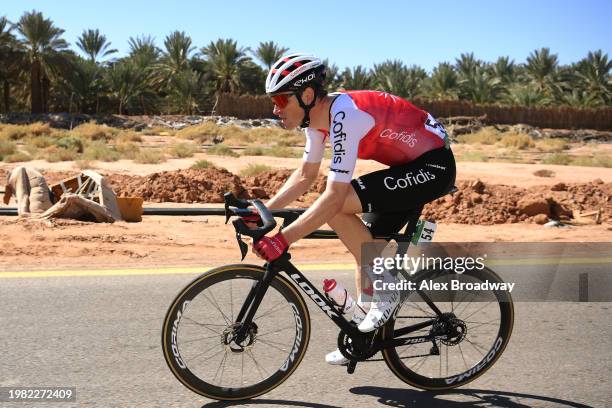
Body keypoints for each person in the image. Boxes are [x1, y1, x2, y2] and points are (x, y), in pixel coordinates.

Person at [249, 53, 456, 365]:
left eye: (280, 99)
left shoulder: (346, 114)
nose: (275, 109)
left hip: (433, 167)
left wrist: (283, 239)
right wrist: (266, 210)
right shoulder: (316, 123)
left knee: (337, 207)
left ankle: (384, 293)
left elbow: (333, 198)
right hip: (408, 169)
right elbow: (306, 176)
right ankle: (363, 335)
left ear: (306, 95)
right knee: (363, 247)